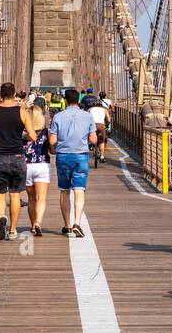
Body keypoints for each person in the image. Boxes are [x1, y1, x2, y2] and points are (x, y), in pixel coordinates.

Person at [0, 81, 31, 241]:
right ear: (14, 94)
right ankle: (12, 230)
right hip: (17, 157)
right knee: (15, 195)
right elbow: (32, 135)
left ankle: (2, 216)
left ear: (1, 95)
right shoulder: (22, 112)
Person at [49, 88, 97, 237]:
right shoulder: (87, 116)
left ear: (66, 101)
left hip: (63, 156)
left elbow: (52, 141)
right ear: (78, 101)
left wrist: (54, 149)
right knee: (79, 189)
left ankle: (67, 225)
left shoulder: (57, 117)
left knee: (64, 190)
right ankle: (77, 222)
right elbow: (94, 139)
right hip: (81, 156)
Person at [22, 96, 52, 236]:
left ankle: (33, 225)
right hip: (42, 166)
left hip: (26, 166)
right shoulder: (46, 132)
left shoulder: (23, 132)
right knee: (41, 198)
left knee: (31, 198)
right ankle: (39, 222)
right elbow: (52, 149)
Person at [87, 93, 109, 164]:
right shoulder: (104, 110)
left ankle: (90, 144)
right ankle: (102, 157)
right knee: (102, 140)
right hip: (101, 125)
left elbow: (86, 117)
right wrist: (107, 124)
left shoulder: (90, 109)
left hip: (92, 125)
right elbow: (108, 119)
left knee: (88, 134)